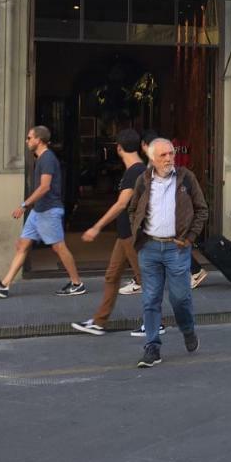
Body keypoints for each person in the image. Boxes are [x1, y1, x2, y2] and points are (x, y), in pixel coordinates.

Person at [127, 138, 207, 367]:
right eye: (163, 155)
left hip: (177, 248)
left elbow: (202, 209)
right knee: (150, 299)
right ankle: (152, 347)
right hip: (149, 248)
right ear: (152, 158)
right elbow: (133, 209)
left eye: (171, 154)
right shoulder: (143, 180)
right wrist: (138, 233)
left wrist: (189, 238)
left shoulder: (186, 178)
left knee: (180, 298)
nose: (169, 158)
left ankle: (188, 329)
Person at [0, 126, 85, 298]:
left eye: (29, 138)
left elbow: (45, 187)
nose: (27, 141)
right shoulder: (42, 159)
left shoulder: (48, 159)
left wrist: (24, 205)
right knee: (22, 245)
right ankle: (4, 285)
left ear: (39, 140)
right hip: (39, 211)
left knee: (59, 247)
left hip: (49, 210)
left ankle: (77, 283)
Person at [70, 129, 151, 336]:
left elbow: (121, 204)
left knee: (144, 280)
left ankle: (154, 322)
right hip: (125, 234)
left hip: (132, 235)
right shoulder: (139, 170)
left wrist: (97, 227)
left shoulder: (134, 172)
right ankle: (99, 321)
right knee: (111, 276)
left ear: (119, 148)